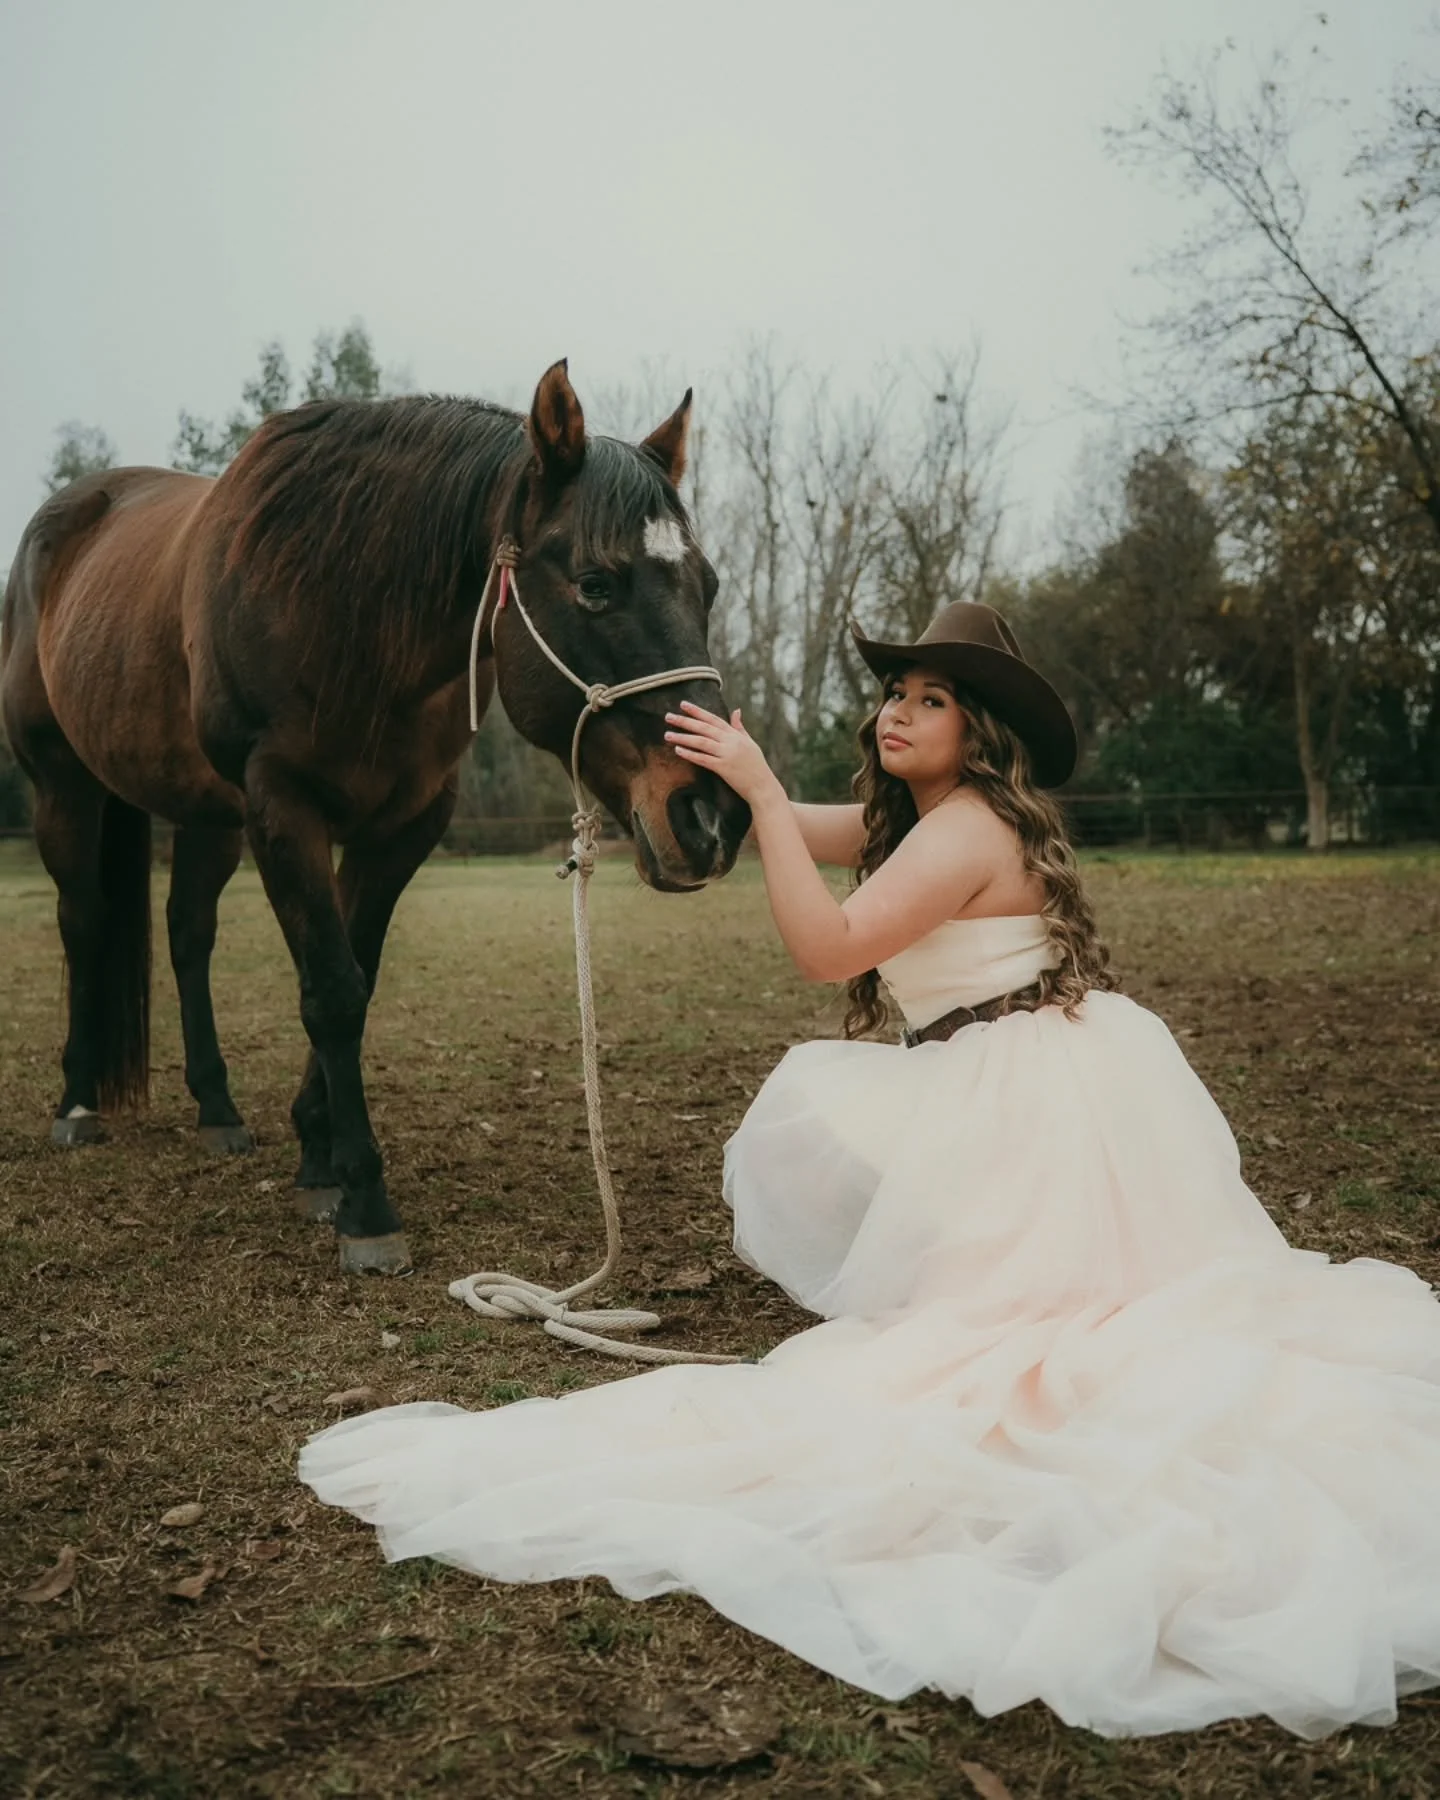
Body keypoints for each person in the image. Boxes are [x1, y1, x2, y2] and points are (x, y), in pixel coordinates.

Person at [300, 603, 1440, 1741]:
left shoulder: (965, 829)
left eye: (933, 699)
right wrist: (671, 778)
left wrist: (752, 787)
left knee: (1023, 1356)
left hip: (1027, 1087)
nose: (901, 710)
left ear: (979, 730)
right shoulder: (923, 817)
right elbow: (789, 823)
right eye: (898, 693)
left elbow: (829, 949)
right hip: (1021, 1066)